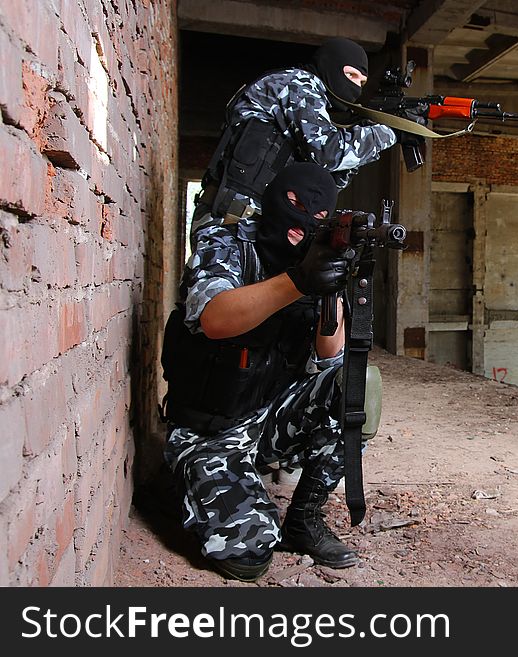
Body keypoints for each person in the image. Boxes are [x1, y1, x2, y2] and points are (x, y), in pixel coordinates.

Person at [161, 162, 361, 582]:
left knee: (354, 388)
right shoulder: (227, 241)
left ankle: (303, 518)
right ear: (272, 200)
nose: (302, 221)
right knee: (247, 557)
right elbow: (214, 318)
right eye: (293, 205)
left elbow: (330, 359)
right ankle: (205, 480)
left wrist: (331, 289)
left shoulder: (314, 257)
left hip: (269, 418)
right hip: (210, 427)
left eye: (318, 218)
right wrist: (299, 281)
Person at [190, 37, 398, 243]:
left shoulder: (309, 108)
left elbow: (325, 183)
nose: (356, 88)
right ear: (330, 65)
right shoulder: (298, 83)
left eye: (361, 82)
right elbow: (327, 153)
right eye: (350, 75)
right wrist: (388, 133)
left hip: (251, 223)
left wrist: (364, 141)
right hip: (229, 222)